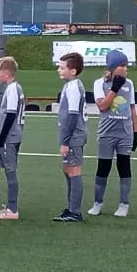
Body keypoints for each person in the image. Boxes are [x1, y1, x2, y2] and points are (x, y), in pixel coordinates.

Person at [88, 49, 137, 217]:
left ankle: (124, 204)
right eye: (122, 65)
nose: (125, 69)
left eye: (126, 66)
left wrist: (135, 132)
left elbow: (132, 108)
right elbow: (102, 106)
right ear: (113, 67)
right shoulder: (99, 83)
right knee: (103, 168)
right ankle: (98, 203)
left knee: (124, 168)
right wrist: (115, 88)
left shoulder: (129, 83)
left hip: (125, 133)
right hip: (107, 133)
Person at [53, 51, 88, 222]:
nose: (59, 70)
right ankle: (71, 207)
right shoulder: (70, 85)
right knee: (68, 170)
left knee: (74, 171)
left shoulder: (74, 86)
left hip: (74, 136)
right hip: (71, 135)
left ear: (72, 71)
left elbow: (73, 115)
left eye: (62, 68)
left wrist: (65, 141)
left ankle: (75, 211)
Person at [0, 55, 24, 220]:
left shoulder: (12, 89)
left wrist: (1, 138)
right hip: (14, 135)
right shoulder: (13, 88)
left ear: (6, 73)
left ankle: (12, 209)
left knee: (10, 171)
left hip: (10, 137)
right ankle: (11, 206)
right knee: (9, 171)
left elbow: (11, 114)